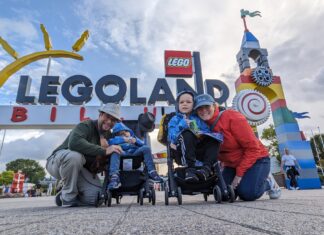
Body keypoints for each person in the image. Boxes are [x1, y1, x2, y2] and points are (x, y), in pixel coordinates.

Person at [194, 94, 281, 201]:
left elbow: (253, 149)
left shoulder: (232, 116)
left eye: (207, 107)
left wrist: (239, 175)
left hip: (257, 159)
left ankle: (268, 182)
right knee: (222, 195)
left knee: (247, 194)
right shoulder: (200, 125)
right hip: (232, 164)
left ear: (214, 105)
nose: (203, 111)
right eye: (199, 108)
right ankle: (247, 182)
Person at [46, 103, 123, 207]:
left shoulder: (109, 136)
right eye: (107, 116)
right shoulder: (86, 125)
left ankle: (64, 196)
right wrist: (104, 151)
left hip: (82, 168)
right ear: (100, 114)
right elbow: (74, 144)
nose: (109, 121)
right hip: (58, 162)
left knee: (97, 198)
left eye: (113, 120)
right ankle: (68, 197)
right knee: (75, 157)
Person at [168, 90, 223, 182]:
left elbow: (206, 132)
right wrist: (182, 125)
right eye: (181, 102)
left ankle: (206, 170)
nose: (185, 104)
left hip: (198, 150)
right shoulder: (175, 119)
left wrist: (197, 131)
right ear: (178, 105)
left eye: (188, 102)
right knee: (187, 134)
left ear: (194, 105)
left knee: (214, 138)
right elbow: (172, 137)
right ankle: (190, 171)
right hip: (182, 151)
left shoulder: (197, 118)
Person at [107, 121, 163, 189]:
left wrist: (136, 141)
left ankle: (152, 172)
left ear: (129, 132)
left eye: (125, 132)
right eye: (121, 134)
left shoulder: (134, 138)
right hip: (122, 154)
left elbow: (143, 145)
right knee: (114, 151)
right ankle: (114, 177)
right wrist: (123, 139)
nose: (124, 134)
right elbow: (110, 142)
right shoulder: (114, 139)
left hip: (134, 155)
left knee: (146, 148)